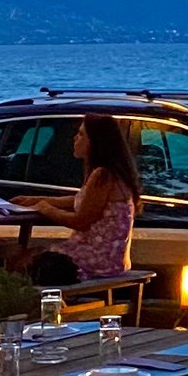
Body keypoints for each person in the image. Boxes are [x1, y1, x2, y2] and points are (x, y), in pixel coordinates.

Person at [10, 114, 140, 281]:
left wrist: (45, 208)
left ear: (95, 142)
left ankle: (32, 305)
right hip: (109, 258)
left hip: (98, 260)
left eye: (81, 135)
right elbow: (82, 200)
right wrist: (34, 200)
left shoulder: (102, 175)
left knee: (22, 262)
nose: (74, 138)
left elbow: (80, 221)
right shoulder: (113, 174)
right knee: (30, 257)